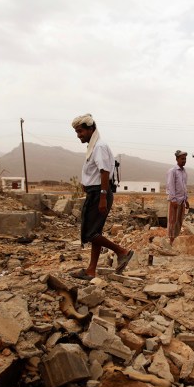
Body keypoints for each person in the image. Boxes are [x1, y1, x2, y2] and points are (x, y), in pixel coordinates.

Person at [71, 114, 134, 279]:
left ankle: (122, 252)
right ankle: (91, 270)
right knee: (95, 233)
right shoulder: (94, 146)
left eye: (80, 131)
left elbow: (104, 172)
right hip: (95, 192)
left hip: (99, 193)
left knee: (90, 233)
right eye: (77, 132)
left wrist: (103, 197)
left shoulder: (99, 146)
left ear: (90, 129)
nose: (79, 135)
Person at [166, 150, 189, 245]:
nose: (184, 160)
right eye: (182, 159)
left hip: (182, 201)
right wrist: (173, 200)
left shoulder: (184, 172)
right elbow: (170, 186)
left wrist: (186, 199)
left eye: (185, 159)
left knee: (179, 221)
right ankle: (171, 241)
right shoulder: (173, 171)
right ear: (177, 159)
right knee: (172, 221)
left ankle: (175, 239)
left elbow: (184, 186)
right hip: (175, 201)